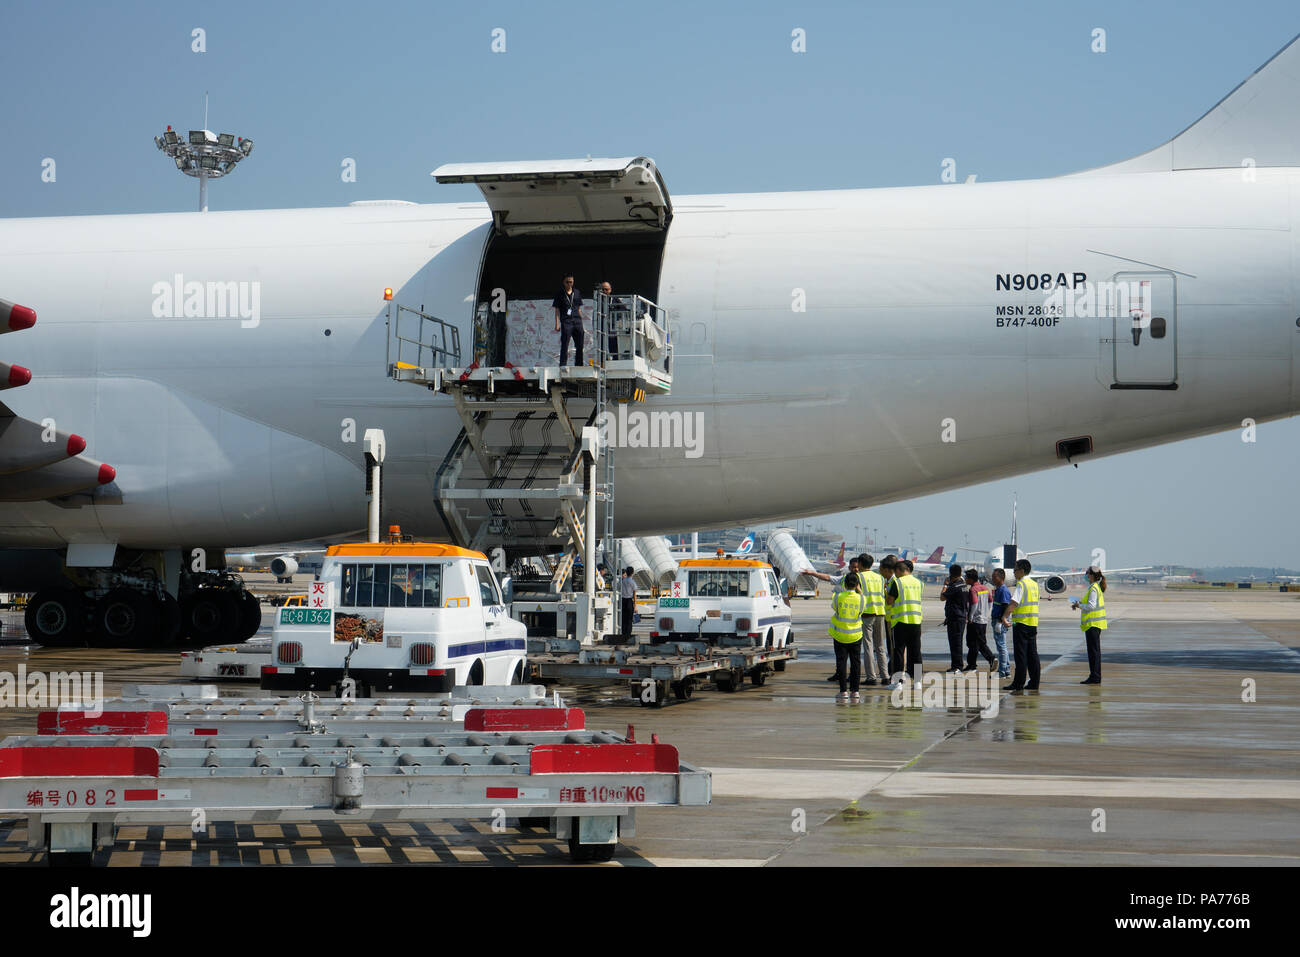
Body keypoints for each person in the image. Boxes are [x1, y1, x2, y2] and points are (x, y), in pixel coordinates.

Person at [805, 558, 861, 683]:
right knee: (841, 655)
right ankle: (840, 674)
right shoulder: (843, 579)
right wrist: (812, 573)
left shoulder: (863, 580)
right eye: (853, 567)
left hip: (857, 622)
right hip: (842, 623)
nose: (855, 569)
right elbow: (827, 577)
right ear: (849, 568)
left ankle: (853, 678)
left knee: (854, 656)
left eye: (857, 567)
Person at [1000, 558, 1040, 691]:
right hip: (1032, 624)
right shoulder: (1034, 584)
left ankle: (1018, 683)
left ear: (1022, 571)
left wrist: (1005, 617)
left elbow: (1014, 603)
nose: (1014, 572)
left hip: (1021, 624)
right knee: (1033, 655)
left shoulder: (1021, 584)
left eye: (1015, 569)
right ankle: (1034, 682)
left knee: (1021, 655)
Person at [829, 571, 865, 702]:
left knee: (841, 662)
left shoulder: (837, 597)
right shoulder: (861, 598)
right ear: (857, 585)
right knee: (856, 663)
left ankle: (843, 691)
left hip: (839, 635)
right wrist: (859, 591)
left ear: (844, 584)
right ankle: (855, 691)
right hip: (855, 635)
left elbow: (834, 607)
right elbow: (862, 610)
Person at [1071, 566, 1107, 684]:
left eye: (1087, 574)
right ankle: (1095, 676)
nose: (1085, 576)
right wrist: (1080, 603)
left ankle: (1095, 677)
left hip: (1093, 624)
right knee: (1094, 652)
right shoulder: (1095, 587)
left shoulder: (1093, 589)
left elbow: (1091, 606)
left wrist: (1078, 606)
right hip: (1094, 624)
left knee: (1093, 653)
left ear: (1091, 575)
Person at [890, 559, 924, 682]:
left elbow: (889, 600)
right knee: (916, 652)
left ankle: (899, 681)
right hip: (915, 621)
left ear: (898, 570)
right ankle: (918, 681)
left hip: (900, 621)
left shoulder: (897, 582)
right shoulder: (919, 583)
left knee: (899, 652)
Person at [858, 555, 889, 685]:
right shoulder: (880, 578)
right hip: (880, 612)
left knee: (868, 646)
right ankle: (885, 676)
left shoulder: (859, 576)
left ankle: (871, 677)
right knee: (880, 646)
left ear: (860, 563)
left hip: (867, 613)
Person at [964, 568, 997, 670]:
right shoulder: (985, 588)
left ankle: (991, 658)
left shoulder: (973, 589)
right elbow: (991, 601)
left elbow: (974, 603)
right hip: (983, 620)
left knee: (977, 643)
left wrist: (970, 617)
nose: (965, 579)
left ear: (970, 579)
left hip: (975, 620)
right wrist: (987, 613)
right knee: (974, 643)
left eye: (966, 578)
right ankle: (971, 664)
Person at [939, 564, 969, 672]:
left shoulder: (954, 587)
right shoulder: (964, 586)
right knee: (957, 642)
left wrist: (946, 585)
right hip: (961, 617)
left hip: (955, 618)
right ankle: (956, 665)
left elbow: (942, 597)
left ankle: (957, 666)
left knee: (955, 643)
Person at [552, 274, 585, 367]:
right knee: (565, 343)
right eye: (567, 282)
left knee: (580, 345)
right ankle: (563, 364)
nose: (569, 284)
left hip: (577, 321)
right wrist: (557, 323)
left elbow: (578, 308)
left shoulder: (577, 292)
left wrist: (581, 321)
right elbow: (557, 309)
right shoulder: (559, 294)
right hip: (566, 321)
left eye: (571, 282)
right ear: (563, 282)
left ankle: (579, 364)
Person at [989, 568, 1013, 678]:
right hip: (997, 620)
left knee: (1001, 646)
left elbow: (1005, 606)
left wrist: (1000, 621)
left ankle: (1002, 671)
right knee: (1001, 646)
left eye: (995, 577)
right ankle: (1006, 670)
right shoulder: (998, 589)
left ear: (1001, 578)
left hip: (999, 621)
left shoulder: (1003, 590)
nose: (993, 579)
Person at [619, 566, 637, 642]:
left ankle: (623, 634)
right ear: (632, 573)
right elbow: (634, 594)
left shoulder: (622, 581)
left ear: (626, 572)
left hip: (622, 601)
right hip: (629, 601)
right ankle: (628, 635)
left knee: (623, 619)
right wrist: (635, 606)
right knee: (629, 620)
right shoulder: (632, 582)